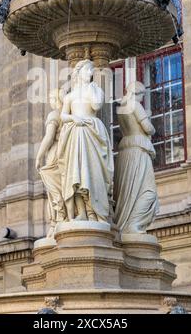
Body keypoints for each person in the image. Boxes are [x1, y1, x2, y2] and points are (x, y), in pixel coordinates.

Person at [58, 60, 114, 222]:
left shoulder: (94, 90)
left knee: (92, 172)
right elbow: (63, 115)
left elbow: (96, 106)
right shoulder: (70, 96)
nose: (90, 74)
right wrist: (73, 118)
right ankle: (82, 212)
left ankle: (93, 213)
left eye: (91, 71)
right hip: (75, 133)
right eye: (88, 70)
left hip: (92, 131)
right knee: (75, 174)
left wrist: (93, 89)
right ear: (78, 73)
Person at [114, 81, 159, 235]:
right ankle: (133, 224)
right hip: (138, 148)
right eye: (141, 95)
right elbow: (148, 128)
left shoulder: (121, 108)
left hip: (125, 150)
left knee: (127, 190)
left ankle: (127, 222)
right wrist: (150, 121)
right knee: (148, 191)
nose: (142, 99)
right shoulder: (135, 105)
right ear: (136, 93)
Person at [36, 89, 66, 238]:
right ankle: (64, 216)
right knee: (63, 185)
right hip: (66, 152)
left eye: (50, 97)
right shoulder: (68, 114)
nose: (49, 100)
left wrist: (39, 156)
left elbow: (48, 138)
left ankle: (57, 220)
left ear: (56, 99)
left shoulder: (54, 115)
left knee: (53, 189)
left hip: (54, 153)